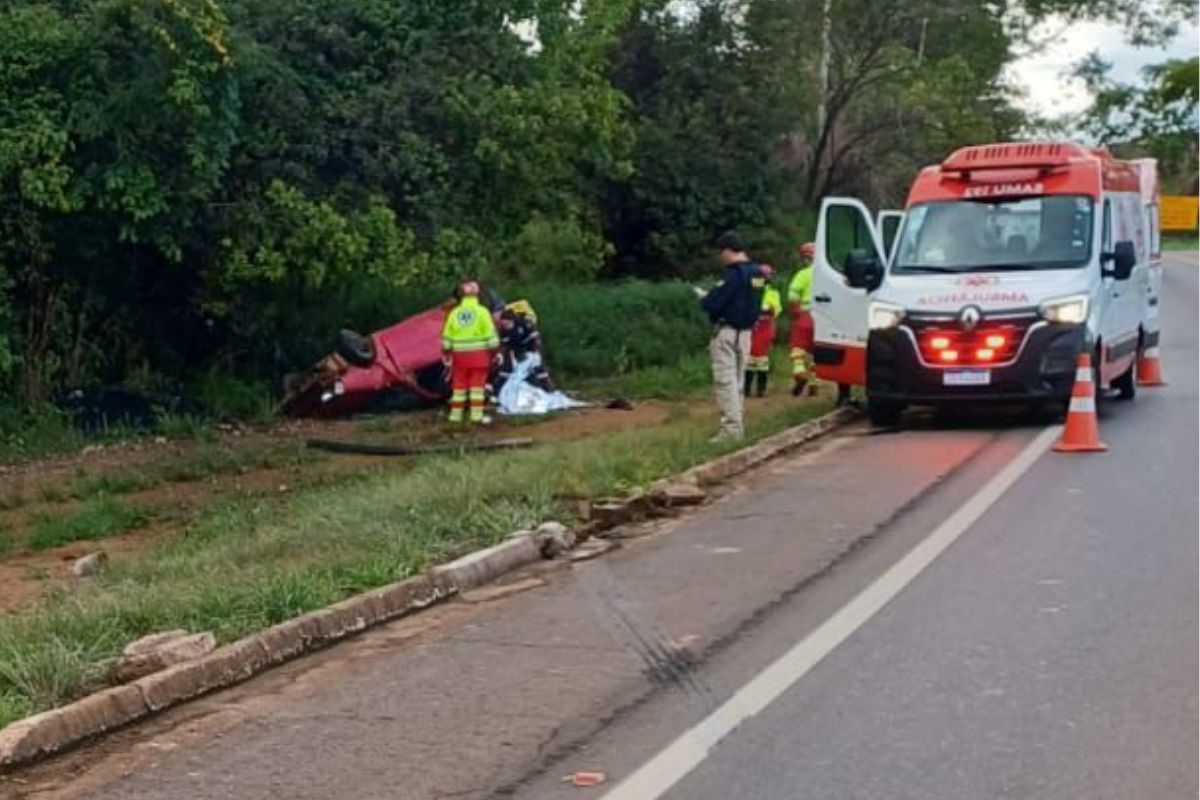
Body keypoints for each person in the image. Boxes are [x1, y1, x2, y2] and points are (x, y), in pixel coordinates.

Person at [700, 232, 770, 441]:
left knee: (725, 380)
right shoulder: (758, 274)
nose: (721, 257)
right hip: (747, 333)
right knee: (738, 380)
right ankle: (738, 425)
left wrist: (705, 298)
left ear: (728, 250)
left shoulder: (732, 274)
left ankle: (731, 429)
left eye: (721, 252)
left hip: (726, 332)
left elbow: (713, 303)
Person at [442, 280, 500, 425]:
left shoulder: (454, 313)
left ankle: (455, 416)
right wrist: (495, 352)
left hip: (459, 357)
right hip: (479, 356)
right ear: (477, 293)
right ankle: (476, 416)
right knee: (477, 388)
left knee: (459, 388)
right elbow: (491, 338)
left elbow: (446, 339)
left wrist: (447, 354)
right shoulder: (482, 312)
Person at [492, 308, 553, 395]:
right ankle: (498, 392)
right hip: (516, 352)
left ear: (512, 321)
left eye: (507, 324)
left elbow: (535, 338)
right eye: (503, 324)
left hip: (530, 350)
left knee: (540, 370)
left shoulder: (524, 324)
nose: (506, 326)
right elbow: (505, 345)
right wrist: (501, 354)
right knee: (506, 371)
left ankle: (547, 390)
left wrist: (533, 352)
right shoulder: (504, 331)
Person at [787, 243, 817, 397]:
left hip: (805, 315)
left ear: (805, 258)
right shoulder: (828, 274)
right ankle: (814, 382)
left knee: (798, 346)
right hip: (823, 318)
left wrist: (794, 312)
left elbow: (793, 296)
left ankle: (799, 372)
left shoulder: (803, 274)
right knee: (815, 351)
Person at [745, 275, 782, 398]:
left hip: (764, 328)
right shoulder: (751, 293)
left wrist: (766, 310)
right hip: (754, 328)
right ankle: (748, 389)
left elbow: (775, 310)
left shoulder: (771, 294)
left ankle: (760, 389)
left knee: (761, 360)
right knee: (751, 359)